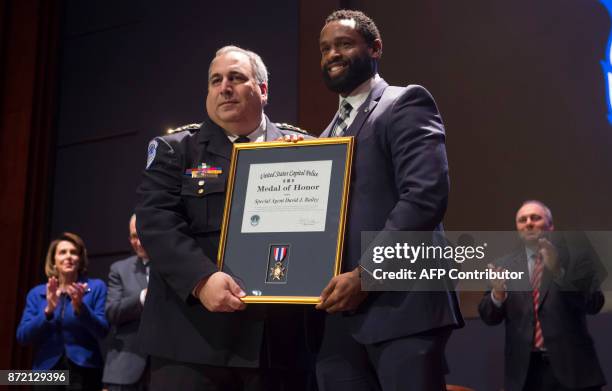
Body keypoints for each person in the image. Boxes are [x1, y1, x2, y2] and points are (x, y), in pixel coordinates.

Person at [135, 45, 312, 390]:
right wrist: (201, 279)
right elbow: (156, 222)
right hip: (192, 343)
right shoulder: (177, 149)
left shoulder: (304, 148)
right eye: (215, 80)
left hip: (278, 346)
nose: (224, 87)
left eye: (236, 78)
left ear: (262, 89)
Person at [313, 9, 463, 391]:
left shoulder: (405, 103)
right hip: (337, 319)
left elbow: (424, 197)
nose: (332, 54)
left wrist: (365, 276)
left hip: (403, 309)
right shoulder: (325, 137)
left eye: (344, 44)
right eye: (325, 48)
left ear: (375, 47)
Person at [479, 200, 606, 391]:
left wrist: (558, 272)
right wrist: (497, 294)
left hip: (574, 370)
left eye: (535, 218)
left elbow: (594, 303)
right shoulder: (503, 266)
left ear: (551, 226)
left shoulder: (576, 258)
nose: (528, 222)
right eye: (522, 220)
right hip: (525, 374)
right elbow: (489, 316)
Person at [16, 232, 109, 390]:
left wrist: (81, 307)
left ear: (80, 260)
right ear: (53, 261)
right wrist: (48, 311)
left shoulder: (95, 288)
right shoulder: (38, 293)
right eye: (62, 252)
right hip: (45, 372)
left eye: (73, 252)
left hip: (85, 371)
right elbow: (23, 336)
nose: (69, 256)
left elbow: (102, 331)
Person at [102, 214, 150, 390]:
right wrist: (143, 297)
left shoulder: (169, 268)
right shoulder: (119, 269)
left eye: (141, 234)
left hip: (165, 366)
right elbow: (111, 311)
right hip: (125, 367)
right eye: (133, 236)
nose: (137, 242)